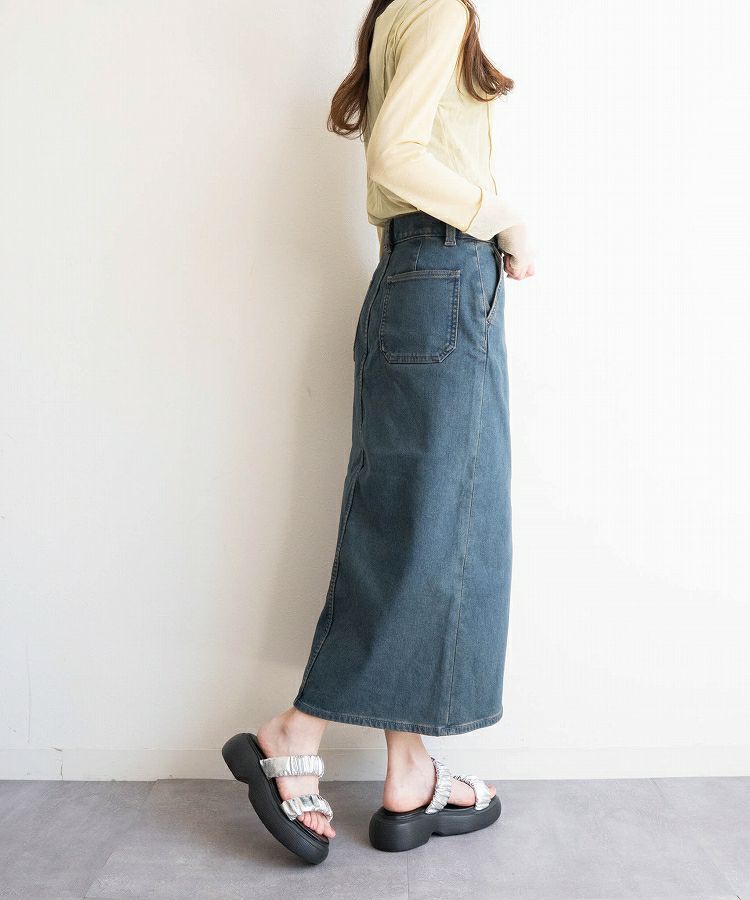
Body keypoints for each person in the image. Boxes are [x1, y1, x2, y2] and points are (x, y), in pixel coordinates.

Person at [223, 0, 534, 864]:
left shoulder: (406, 8)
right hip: (445, 270)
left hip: (417, 276)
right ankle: (295, 729)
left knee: (428, 521)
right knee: (434, 525)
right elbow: (397, 154)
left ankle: (407, 770)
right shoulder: (439, 10)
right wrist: (503, 215)